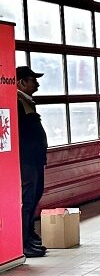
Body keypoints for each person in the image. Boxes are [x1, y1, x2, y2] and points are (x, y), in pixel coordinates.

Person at [17, 66, 47, 258]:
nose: (37, 83)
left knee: (35, 195)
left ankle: (30, 235)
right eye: (33, 79)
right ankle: (24, 243)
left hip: (35, 158)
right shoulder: (17, 102)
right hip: (26, 159)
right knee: (27, 201)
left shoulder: (26, 101)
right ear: (21, 82)